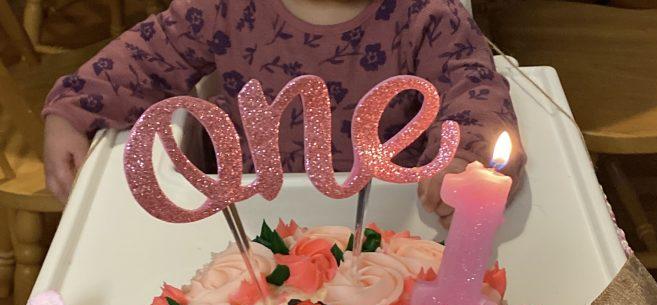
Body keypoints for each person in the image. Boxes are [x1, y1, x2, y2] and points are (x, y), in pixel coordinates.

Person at [42, 0, 525, 227]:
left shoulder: (430, 13)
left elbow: (472, 85)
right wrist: (73, 109)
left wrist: (465, 162)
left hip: (392, 219)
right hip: (256, 217)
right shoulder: (223, 8)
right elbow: (149, 55)